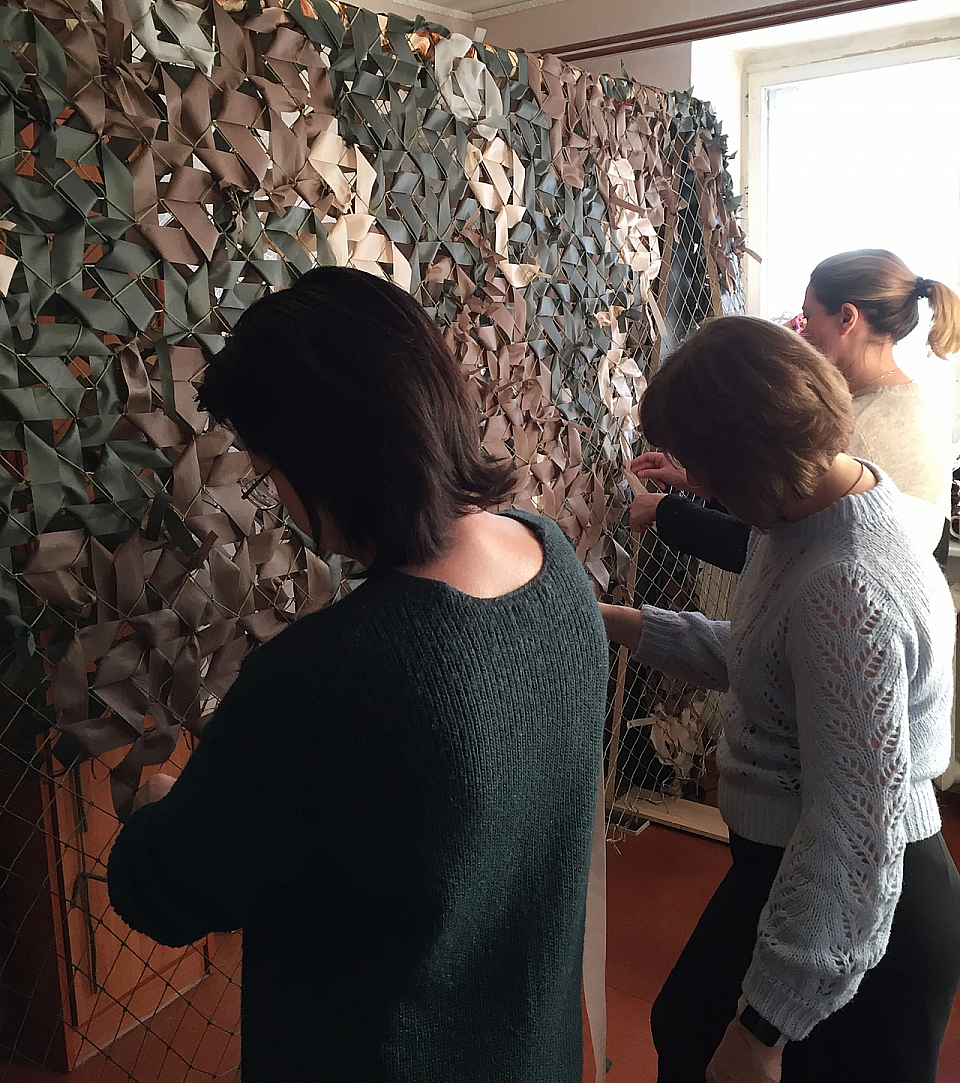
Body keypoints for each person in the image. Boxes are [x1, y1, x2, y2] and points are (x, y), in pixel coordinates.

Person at [107, 266, 608, 1083]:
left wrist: (163, 808)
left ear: (328, 461)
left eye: (271, 473)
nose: (280, 503)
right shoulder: (555, 568)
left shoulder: (325, 679)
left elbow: (162, 894)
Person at [601, 315, 960, 1083]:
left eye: (707, 474)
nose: (700, 491)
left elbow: (852, 836)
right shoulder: (815, 504)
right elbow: (766, 660)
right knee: (682, 1027)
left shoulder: (848, 589)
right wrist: (617, 622)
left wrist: (766, 1027)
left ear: (751, 461)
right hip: (798, 864)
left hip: (862, 903)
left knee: (703, 1046)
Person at [631, 249, 960, 568]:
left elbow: (765, 544)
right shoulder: (911, 402)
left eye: (809, 316)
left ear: (847, 318)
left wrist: (666, 511)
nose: (801, 331)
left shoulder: (853, 431)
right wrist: (700, 480)